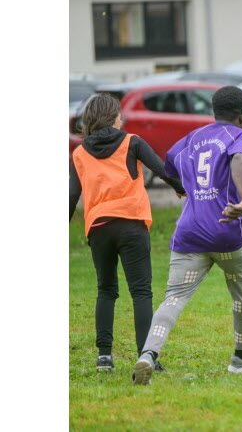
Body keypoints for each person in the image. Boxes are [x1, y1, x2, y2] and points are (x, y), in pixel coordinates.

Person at [132, 86, 242, 385]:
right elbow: (239, 160)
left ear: (214, 111)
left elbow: (168, 164)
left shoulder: (193, 138)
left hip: (189, 233)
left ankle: (148, 354)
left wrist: (184, 188)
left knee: (174, 298)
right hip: (225, 231)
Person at [70, 93, 185, 372]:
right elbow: (161, 169)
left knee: (106, 290)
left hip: (99, 228)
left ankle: (104, 358)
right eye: (119, 114)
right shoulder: (132, 141)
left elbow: (72, 195)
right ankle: (145, 356)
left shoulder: (79, 153)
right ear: (113, 117)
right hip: (131, 222)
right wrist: (181, 188)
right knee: (141, 292)